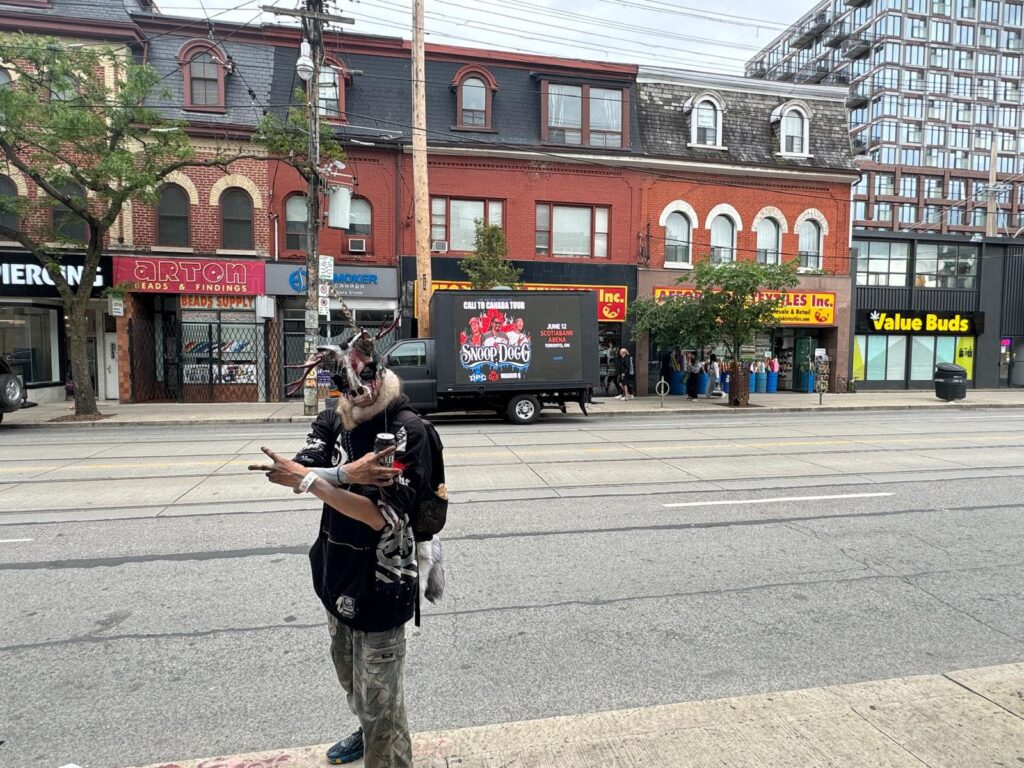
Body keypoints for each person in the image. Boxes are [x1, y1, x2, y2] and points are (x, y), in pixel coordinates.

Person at [250, 327, 435, 768]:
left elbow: (379, 516)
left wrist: (314, 481)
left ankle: (385, 750)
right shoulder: (333, 419)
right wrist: (345, 476)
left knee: (380, 701)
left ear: (378, 373)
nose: (354, 396)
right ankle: (367, 726)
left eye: (361, 383)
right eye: (342, 389)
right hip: (335, 572)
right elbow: (294, 469)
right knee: (354, 682)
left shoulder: (406, 431)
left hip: (381, 582)